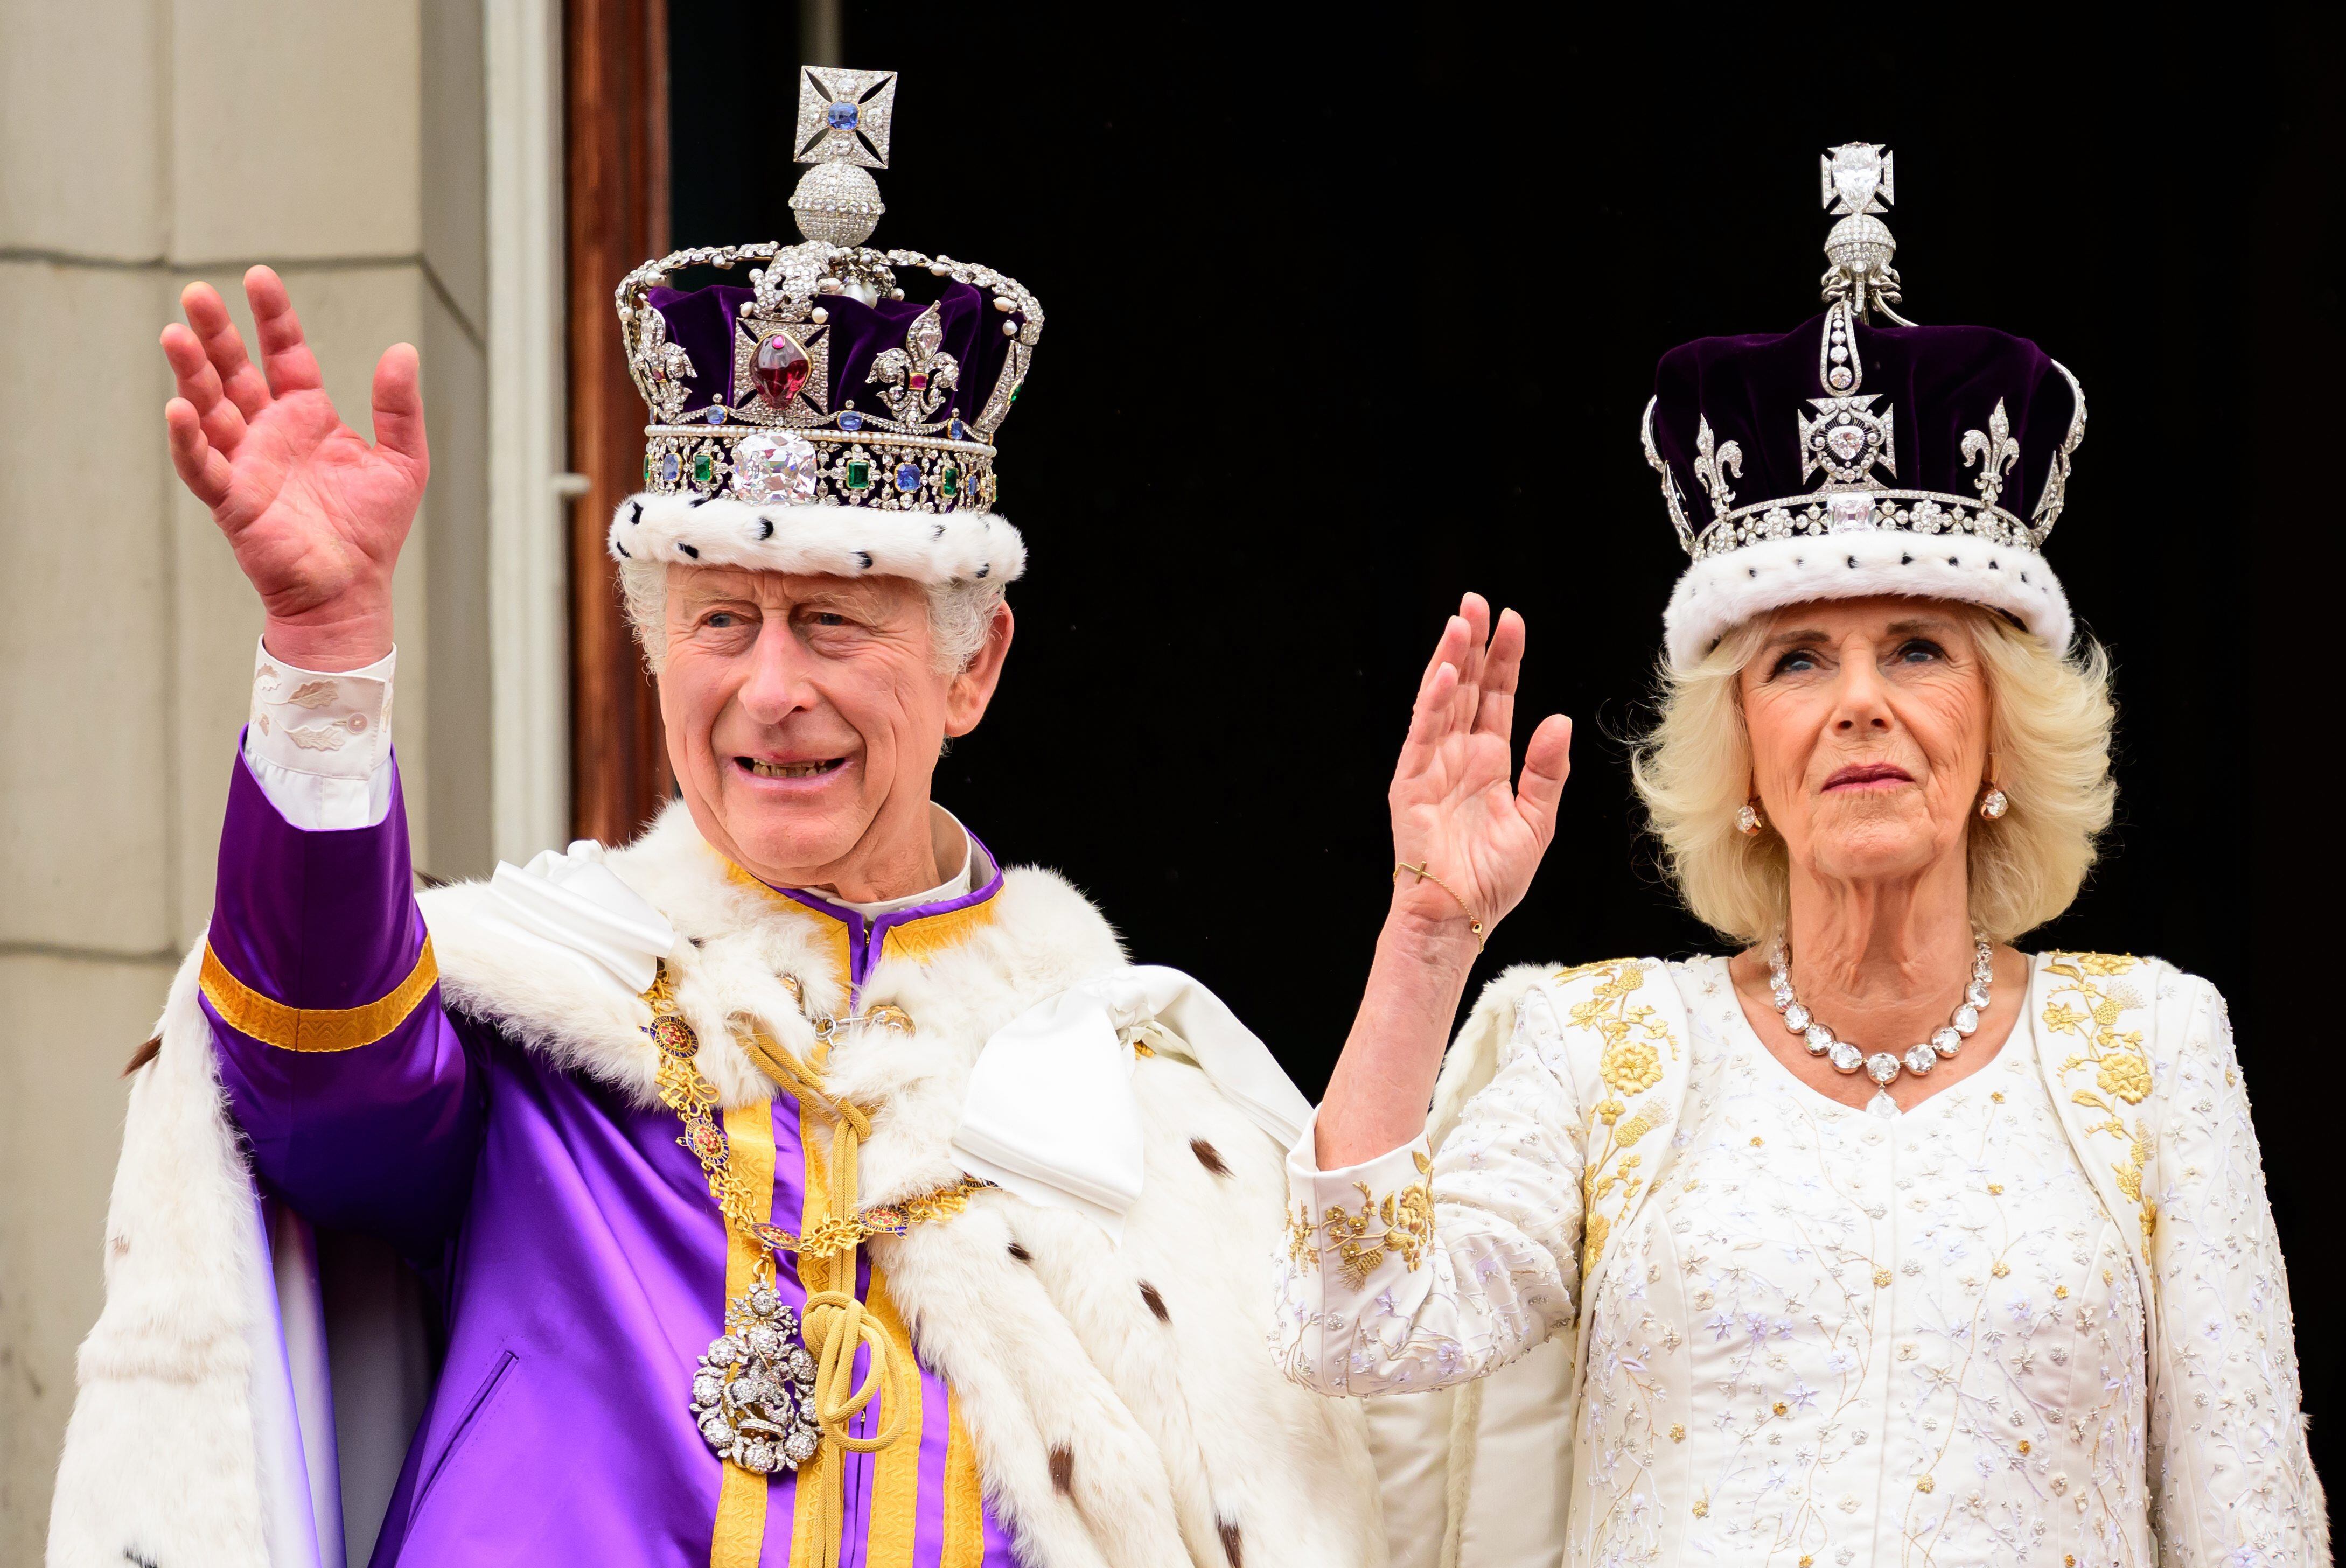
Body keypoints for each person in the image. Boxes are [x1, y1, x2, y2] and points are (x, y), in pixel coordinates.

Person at [51, 66, 1383, 1568]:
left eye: (830, 623)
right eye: (720, 623)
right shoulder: (548, 1012)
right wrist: (328, 654)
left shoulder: (1134, 1087)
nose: (768, 692)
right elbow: (311, 1073)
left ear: (973, 668)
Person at [1274, 144, 2328, 1567]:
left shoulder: (2153, 1046)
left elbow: (2248, 1514)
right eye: (1798, 661)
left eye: (1916, 648)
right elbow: (1358, 1329)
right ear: (1748, 757)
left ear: (2001, 730)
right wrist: (1428, 937)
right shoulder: (1604, 1048)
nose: (1860, 703)